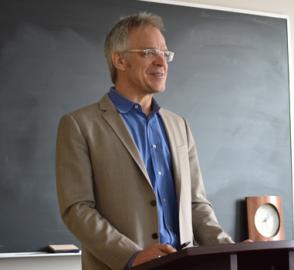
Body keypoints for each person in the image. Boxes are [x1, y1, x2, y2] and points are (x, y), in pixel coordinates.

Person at [56, 12, 233, 270]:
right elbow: (77, 209)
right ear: (119, 60)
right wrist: (132, 256)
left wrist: (230, 249)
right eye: (149, 52)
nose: (162, 62)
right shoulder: (79, 125)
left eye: (165, 53)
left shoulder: (179, 125)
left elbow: (196, 204)